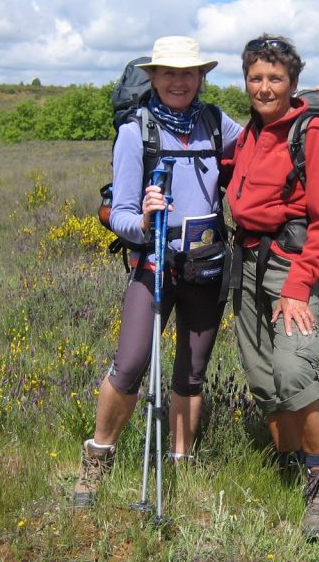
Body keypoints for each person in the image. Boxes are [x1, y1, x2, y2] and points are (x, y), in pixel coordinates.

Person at [74, 36, 242, 507]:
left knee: (192, 373)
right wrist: (145, 220)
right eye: (167, 72)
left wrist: (302, 104)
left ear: (201, 78)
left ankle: (179, 464)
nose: (178, 81)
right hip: (154, 264)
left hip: (206, 267)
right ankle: (97, 458)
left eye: (187, 72)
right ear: (152, 77)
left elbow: (261, 142)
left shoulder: (216, 124)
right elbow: (122, 215)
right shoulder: (136, 132)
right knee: (129, 365)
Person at [225, 34, 319, 539]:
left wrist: (299, 286)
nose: (265, 87)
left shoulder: (311, 132)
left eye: (275, 78)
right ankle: (291, 464)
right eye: (256, 77)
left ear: (292, 83)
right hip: (244, 265)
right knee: (262, 379)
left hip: (290, 268)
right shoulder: (249, 133)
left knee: (293, 367)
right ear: (246, 81)